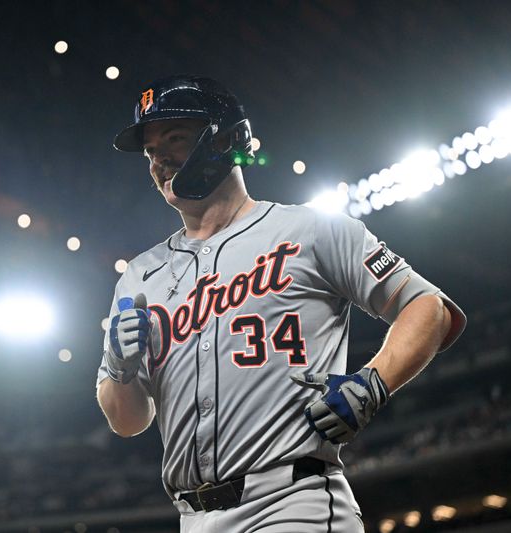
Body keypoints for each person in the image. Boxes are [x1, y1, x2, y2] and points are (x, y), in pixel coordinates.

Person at [96, 75, 466, 532]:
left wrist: (374, 382)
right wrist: (119, 368)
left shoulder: (312, 230)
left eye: (174, 138)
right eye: (151, 150)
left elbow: (428, 306)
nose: (160, 159)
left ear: (226, 138)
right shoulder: (139, 276)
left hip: (292, 503)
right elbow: (127, 421)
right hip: (192, 519)